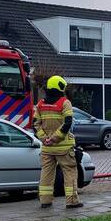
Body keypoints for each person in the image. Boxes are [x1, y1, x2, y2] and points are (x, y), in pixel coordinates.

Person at [33, 75, 83, 209]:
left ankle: (45, 201)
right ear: (60, 87)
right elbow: (67, 123)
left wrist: (45, 139)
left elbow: (35, 124)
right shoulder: (64, 102)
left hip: (47, 148)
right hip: (64, 147)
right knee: (70, 172)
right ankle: (72, 201)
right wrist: (55, 138)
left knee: (46, 174)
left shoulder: (40, 104)